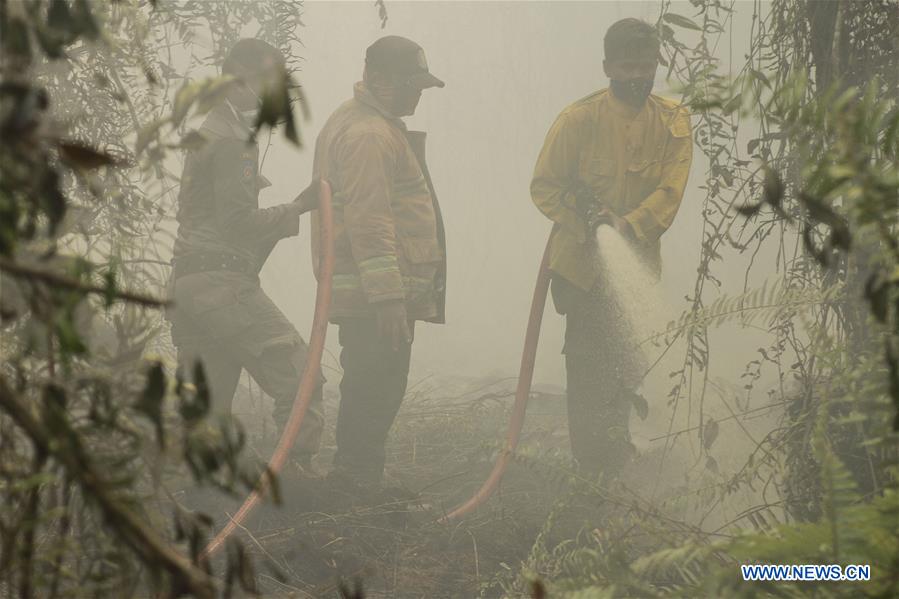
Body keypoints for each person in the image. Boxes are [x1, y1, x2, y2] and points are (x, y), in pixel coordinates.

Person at [530, 19, 693, 479]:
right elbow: (544, 186)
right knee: (587, 366)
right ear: (607, 67)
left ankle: (616, 455)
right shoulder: (578, 120)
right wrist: (581, 214)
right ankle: (592, 469)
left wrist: (627, 223)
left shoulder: (674, 122)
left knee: (625, 361)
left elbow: (669, 191)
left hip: (635, 266)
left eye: (646, 65)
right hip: (580, 268)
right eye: (627, 66)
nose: (638, 75)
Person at [168, 38, 324, 475]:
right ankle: (295, 480)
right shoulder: (233, 141)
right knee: (302, 376)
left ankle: (204, 497)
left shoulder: (207, 133)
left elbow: (203, 215)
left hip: (190, 286)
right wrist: (297, 208)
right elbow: (235, 223)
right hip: (221, 285)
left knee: (208, 404)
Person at [310, 35, 447, 489]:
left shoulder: (370, 123)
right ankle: (354, 482)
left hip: (375, 291)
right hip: (376, 296)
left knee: (375, 382)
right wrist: (389, 296)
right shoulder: (368, 133)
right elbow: (370, 220)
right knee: (375, 384)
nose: (418, 93)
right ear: (379, 79)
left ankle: (359, 477)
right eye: (412, 84)